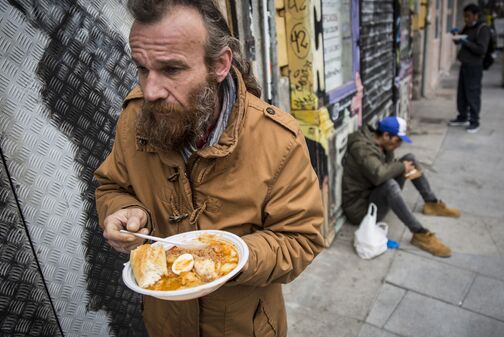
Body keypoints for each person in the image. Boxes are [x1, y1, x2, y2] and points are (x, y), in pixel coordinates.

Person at [94, 1, 325, 336]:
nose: (151, 90)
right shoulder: (135, 117)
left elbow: (301, 239)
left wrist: (228, 258)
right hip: (164, 323)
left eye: (171, 69)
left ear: (220, 64)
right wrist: (122, 209)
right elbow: (112, 186)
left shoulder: (279, 141)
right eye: (143, 69)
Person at [341, 116, 460, 257]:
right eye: (398, 141)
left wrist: (403, 166)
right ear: (386, 135)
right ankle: (419, 233)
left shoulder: (380, 143)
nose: (399, 145)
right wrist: (401, 167)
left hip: (371, 192)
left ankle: (431, 203)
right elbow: (379, 175)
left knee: (410, 159)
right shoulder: (363, 149)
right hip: (360, 209)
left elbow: (386, 168)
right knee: (390, 184)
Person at [448, 4, 491, 134]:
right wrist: (457, 35)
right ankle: (462, 117)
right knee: (462, 93)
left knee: (473, 93)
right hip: (465, 64)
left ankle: (474, 121)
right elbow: (459, 40)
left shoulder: (483, 29)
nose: (466, 19)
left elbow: (481, 49)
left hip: (475, 66)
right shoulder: (468, 27)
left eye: (468, 16)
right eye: (465, 16)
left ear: (476, 16)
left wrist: (466, 42)